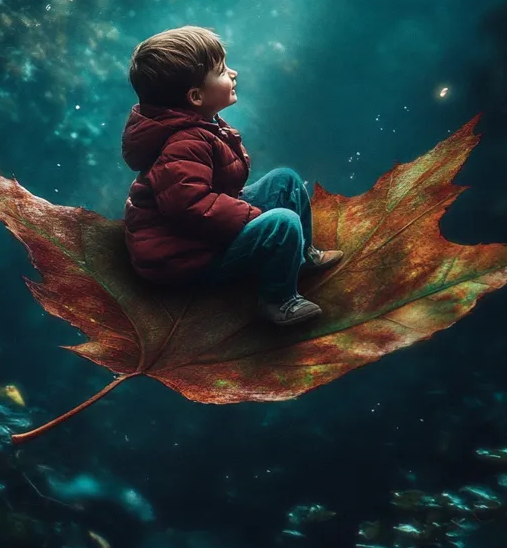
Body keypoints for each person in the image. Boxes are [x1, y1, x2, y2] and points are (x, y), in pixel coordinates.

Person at [121, 25, 343, 326]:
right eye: (222, 71)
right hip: (183, 259)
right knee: (282, 223)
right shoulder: (183, 142)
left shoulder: (200, 125)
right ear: (196, 96)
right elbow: (189, 206)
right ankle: (279, 301)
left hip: (199, 233)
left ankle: (303, 256)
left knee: (285, 180)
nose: (234, 73)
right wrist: (250, 216)